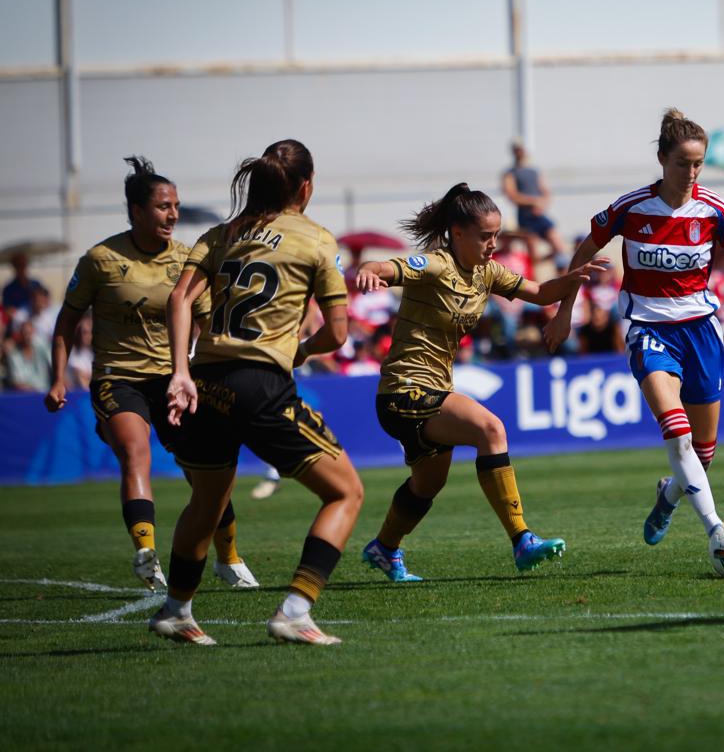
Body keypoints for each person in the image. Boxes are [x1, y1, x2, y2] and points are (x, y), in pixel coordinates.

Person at [545, 108, 724, 549]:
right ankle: (717, 531)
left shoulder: (715, 210)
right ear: (662, 159)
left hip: (700, 332)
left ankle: (668, 494)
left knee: (703, 454)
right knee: (677, 433)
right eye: (682, 163)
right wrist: (565, 310)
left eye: (698, 163)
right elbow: (581, 255)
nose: (691, 172)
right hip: (649, 329)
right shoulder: (630, 208)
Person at [154, 139, 363, 646]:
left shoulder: (220, 234)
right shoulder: (314, 239)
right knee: (345, 492)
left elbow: (179, 299)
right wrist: (300, 350)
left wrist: (180, 371)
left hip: (204, 381)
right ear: (305, 187)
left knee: (206, 502)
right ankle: (294, 610)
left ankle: (176, 610)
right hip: (259, 384)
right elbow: (337, 334)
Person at [356, 182, 608, 582]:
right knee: (490, 429)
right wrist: (371, 271)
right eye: (485, 236)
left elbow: (542, 293)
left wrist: (574, 278)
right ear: (457, 233)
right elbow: (391, 268)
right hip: (405, 390)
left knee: (427, 485)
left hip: (430, 391)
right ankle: (522, 539)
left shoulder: (486, 272)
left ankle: (384, 548)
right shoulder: (437, 264)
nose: (493, 244)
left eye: (497, 235)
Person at [44, 157, 257, 592]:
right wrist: (58, 377)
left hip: (175, 379)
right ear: (136, 211)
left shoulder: (187, 259)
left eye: (176, 206)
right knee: (134, 450)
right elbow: (66, 321)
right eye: (163, 206)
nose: (173, 214)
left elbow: (206, 322)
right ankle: (146, 553)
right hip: (117, 380)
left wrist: (206, 372)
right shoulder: (100, 260)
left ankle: (229, 558)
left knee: (206, 470)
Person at [501, 139, 568, 269]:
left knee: (559, 246)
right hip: (525, 216)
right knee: (533, 250)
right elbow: (512, 195)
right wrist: (533, 202)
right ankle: (534, 274)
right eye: (517, 149)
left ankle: (559, 273)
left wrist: (541, 204)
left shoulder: (535, 171)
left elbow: (546, 192)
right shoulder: (510, 173)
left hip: (539, 214)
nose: (520, 152)